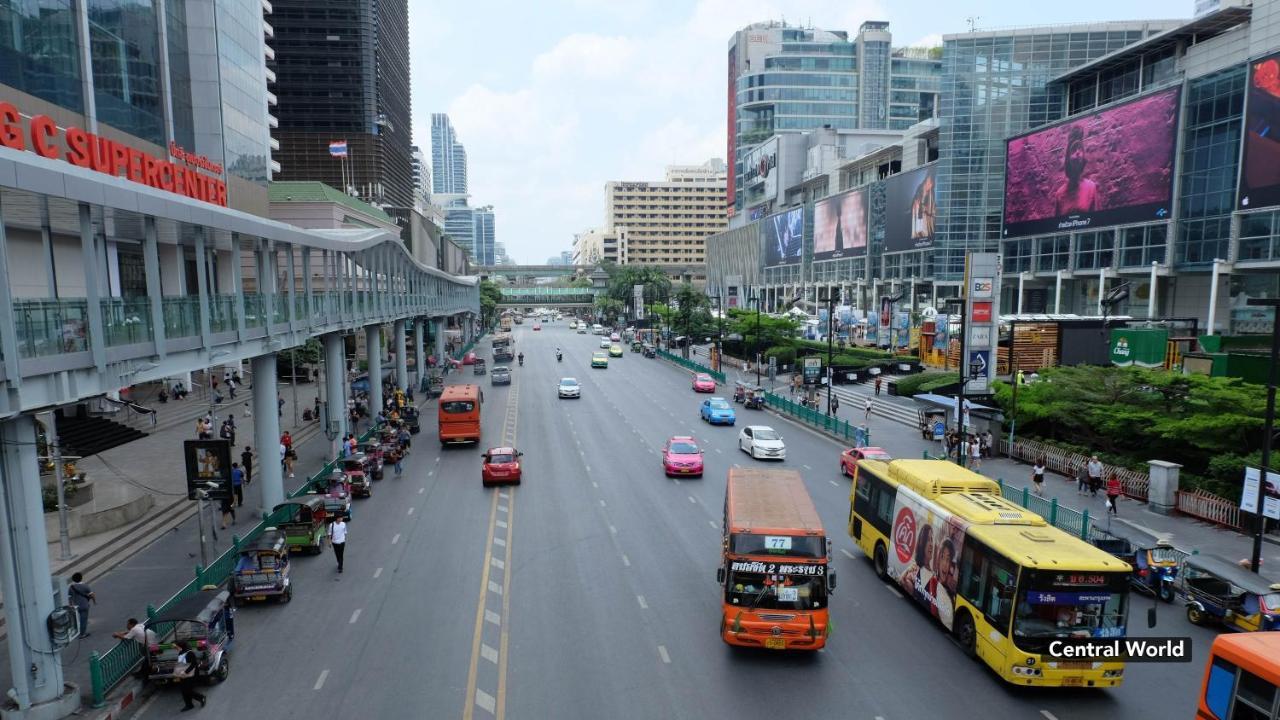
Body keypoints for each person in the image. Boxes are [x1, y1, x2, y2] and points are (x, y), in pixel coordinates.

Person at [1054, 125, 1101, 217]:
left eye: (1080, 149)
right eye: (1074, 149)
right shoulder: (1059, 194)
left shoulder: (1091, 187)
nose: (1078, 152)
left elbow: (1097, 222)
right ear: (1068, 159)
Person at [173, 640, 206, 711]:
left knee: (188, 690)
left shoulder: (190, 653)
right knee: (183, 690)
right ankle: (189, 705)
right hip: (183, 674)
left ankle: (201, 697)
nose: (175, 648)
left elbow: (194, 664)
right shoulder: (180, 653)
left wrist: (185, 672)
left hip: (191, 674)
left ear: (181, 646)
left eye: (176, 647)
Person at [68, 572, 95, 638]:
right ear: (81, 578)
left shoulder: (71, 587)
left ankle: (76, 632)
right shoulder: (85, 586)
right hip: (84, 605)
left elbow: (70, 597)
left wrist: (71, 605)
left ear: (73, 579)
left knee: (76, 620)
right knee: (83, 620)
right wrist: (94, 601)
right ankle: (82, 634)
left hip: (75, 606)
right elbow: (92, 595)